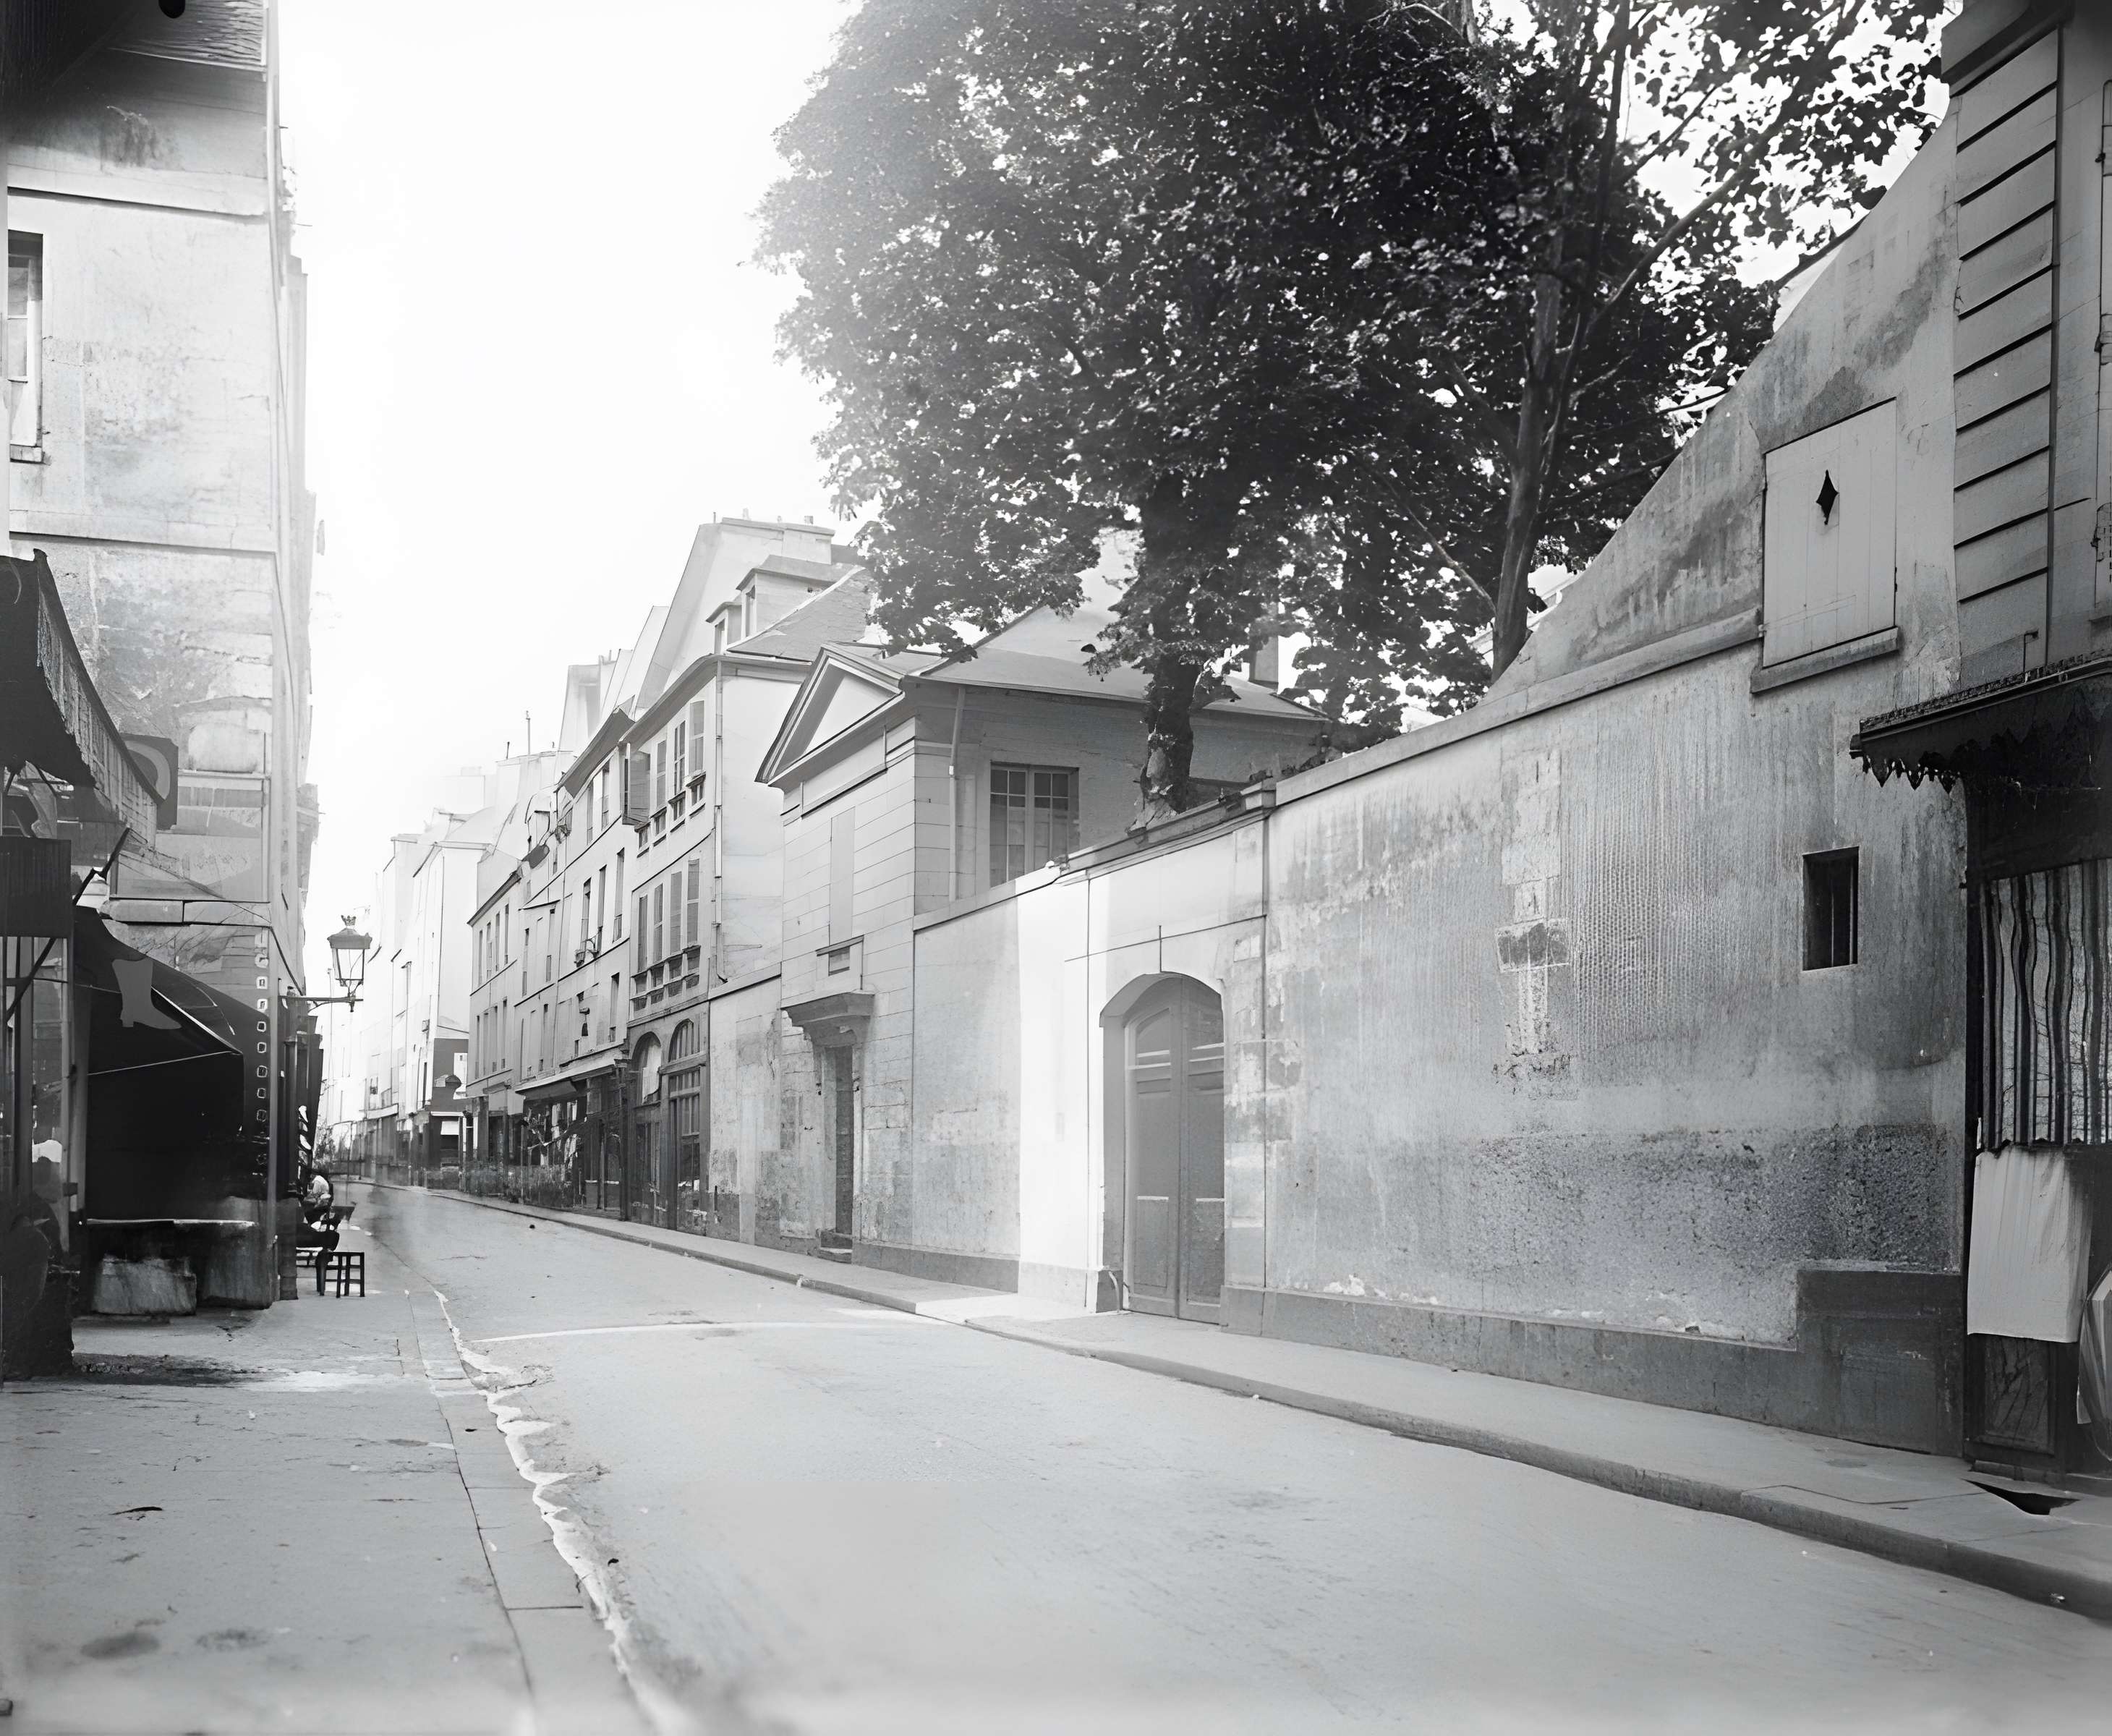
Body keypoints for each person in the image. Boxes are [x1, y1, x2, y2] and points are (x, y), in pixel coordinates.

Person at [296, 1164, 339, 1293]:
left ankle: (325, 1248)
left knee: (308, 1213)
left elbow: (313, 1194)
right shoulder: (322, 1180)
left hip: (318, 1207)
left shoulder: (317, 1181)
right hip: (316, 1232)